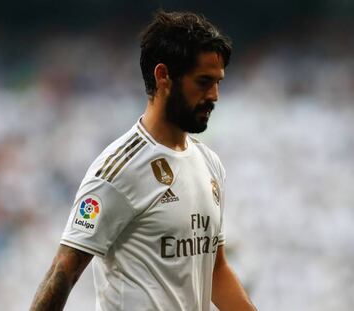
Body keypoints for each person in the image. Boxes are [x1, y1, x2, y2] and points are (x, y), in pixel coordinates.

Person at [30, 10, 257, 311]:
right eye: (203, 81)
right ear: (163, 76)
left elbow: (215, 271)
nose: (214, 94)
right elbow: (63, 272)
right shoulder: (118, 169)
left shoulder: (209, 163)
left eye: (218, 82)